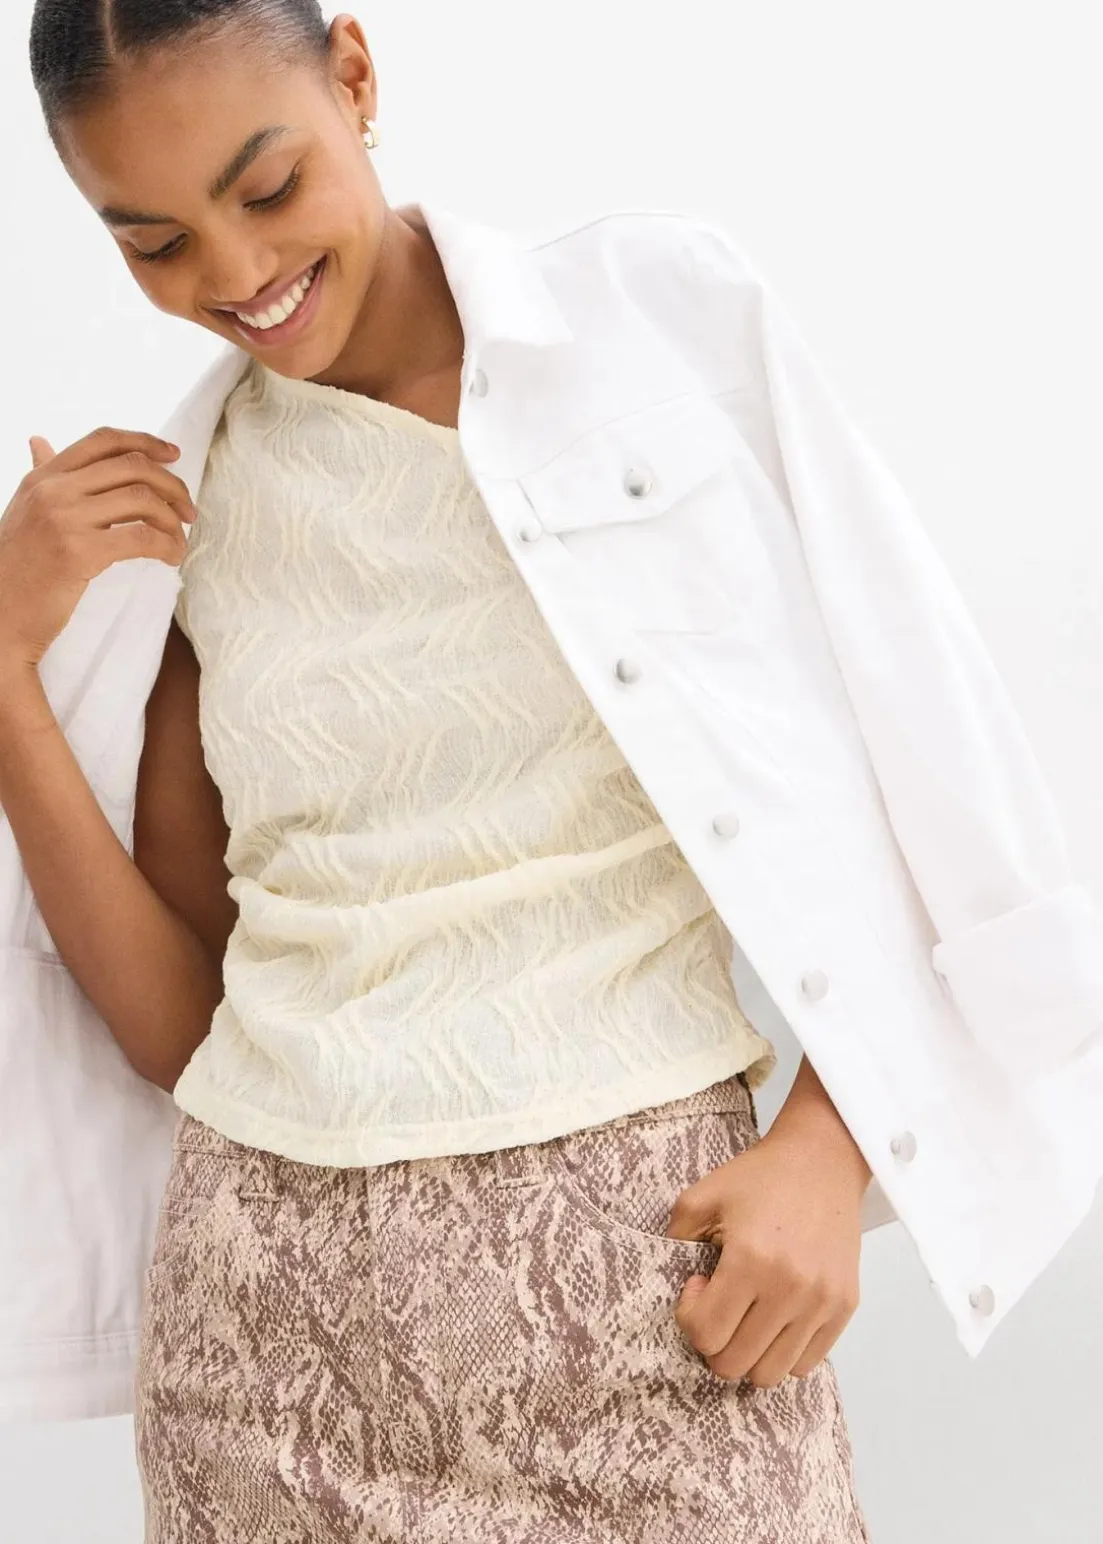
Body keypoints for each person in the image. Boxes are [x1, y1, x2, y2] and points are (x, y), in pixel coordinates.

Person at [9, 0, 1086, 1538]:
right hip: (263, 1364)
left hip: (657, 1313)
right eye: (154, 241)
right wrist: (4, 676)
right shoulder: (195, 511)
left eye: (268, 186)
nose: (236, 272)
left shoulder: (657, 326)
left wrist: (829, 1142)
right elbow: (188, 1026)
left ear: (355, 77)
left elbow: (931, 753)